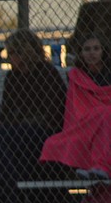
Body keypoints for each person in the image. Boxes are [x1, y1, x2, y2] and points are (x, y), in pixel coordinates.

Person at [0, 29, 74, 203]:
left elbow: (54, 113)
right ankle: (17, 196)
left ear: (27, 52)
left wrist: (23, 121)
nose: (11, 58)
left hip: (45, 131)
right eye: (10, 54)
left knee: (27, 136)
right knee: (1, 136)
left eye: (15, 53)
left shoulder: (47, 74)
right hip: (18, 132)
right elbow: (6, 113)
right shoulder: (12, 77)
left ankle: (31, 197)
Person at [40, 34, 111, 181]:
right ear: (80, 53)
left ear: (103, 51)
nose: (92, 53)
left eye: (96, 49)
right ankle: (96, 167)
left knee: (106, 114)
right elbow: (76, 108)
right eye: (87, 49)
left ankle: (100, 166)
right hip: (86, 122)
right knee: (50, 144)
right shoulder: (76, 76)